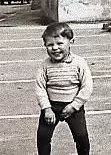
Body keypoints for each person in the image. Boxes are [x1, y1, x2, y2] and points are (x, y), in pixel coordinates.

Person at [36, 22, 93, 155]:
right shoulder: (45, 66)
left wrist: (74, 106)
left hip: (74, 107)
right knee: (43, 137)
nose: (55, 48)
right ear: (45, 46)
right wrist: (47, 109)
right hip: (51, 107)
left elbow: (87, 86)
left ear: (70, 42)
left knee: (81, 137)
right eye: (50, 45)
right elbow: (40, 88)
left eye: (60, 44)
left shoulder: (79, 63)